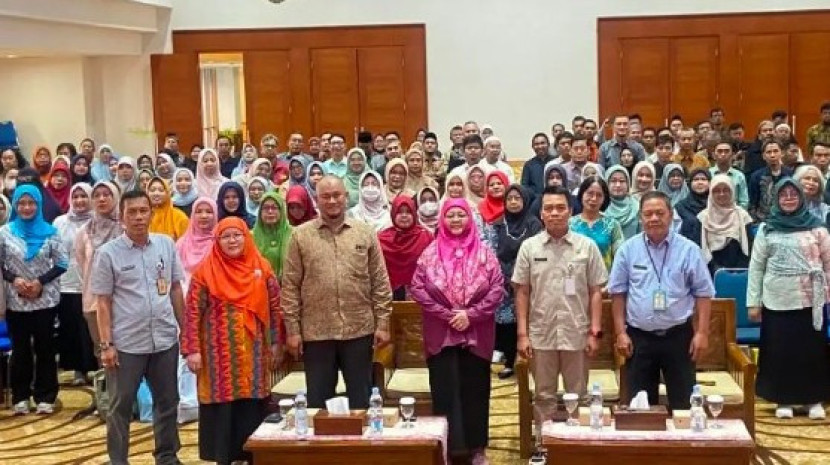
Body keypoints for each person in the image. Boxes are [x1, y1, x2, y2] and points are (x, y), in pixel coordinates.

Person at [90, 189, 185, 465]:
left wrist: (186, 330)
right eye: (132, 212)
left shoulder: (166, 245)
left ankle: (167, 456)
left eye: (143, 211)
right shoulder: (107, 254)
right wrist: (106, 345)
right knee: (120, 407)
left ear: (151, 214)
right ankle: (118, 460)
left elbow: (176, 289)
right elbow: (103, 302)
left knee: (168, 403)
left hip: (165, 339)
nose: (139, 217)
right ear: (122, 217)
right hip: (127, 344)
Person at [282, 176, 392, 409]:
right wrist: (292, 330)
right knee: (318, 404)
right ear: (316, 200)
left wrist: (382, 324)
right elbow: (290, 286)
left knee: (361, 401)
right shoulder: (300, 236)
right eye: (325, 196)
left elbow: (380, 281)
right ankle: (320, 447)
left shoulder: (365, 233)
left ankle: (361, 446)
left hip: (359, 330)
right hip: (316, 333)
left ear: (346, 197)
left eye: (337, 195)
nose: (332, 201)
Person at [182, 216, 284, 463]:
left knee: (251, 405)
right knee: (224, 407)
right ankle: (223, 457)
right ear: (217, 241)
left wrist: (276, 342)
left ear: (246, 237)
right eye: (226, 236)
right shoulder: (204, 273)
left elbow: (275, 309)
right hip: (218, 357)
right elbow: (192, 313)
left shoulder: (262, 269)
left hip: (254, 354)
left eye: (237, 235)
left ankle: (253, 456)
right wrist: (192, 350)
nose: (232, 240)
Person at [410, 198, 503, 465]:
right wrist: (448, 315)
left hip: (477, 334)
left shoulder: (485, 253)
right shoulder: (430, 253)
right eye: (450, 215)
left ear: (470, 219)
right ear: (442, 220)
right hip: (442, 334)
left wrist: (470, 315)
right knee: (445, 390)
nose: (456, 220)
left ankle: (477, 449)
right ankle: (448, 449)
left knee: (476, 389)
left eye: (461, 215)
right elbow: (418, 288)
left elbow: (497, 288)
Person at [608, 191, 715, 409]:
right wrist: (620, 333)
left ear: (671, 215)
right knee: (640, 408)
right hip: (639, 338)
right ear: (641, 217)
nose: (654, 218)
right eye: (648, 214)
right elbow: (617, 294)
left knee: (684, 406)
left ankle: (683, 443)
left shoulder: (689, 250)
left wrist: (702, 332)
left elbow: (703, 294)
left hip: (678, 337)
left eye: (660, 213)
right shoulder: (628, 250)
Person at [513, 185, 606, 432]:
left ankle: (578, 446)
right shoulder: (529, 247)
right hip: (540, 334)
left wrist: (594, 332)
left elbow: (596, 290)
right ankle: (546, 447)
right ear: (541, 213)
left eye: (560, 208)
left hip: (577, 332)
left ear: (570, 211)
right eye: (549, 208)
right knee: (544, 396)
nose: (554, 213)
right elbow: (521, 291)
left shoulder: (586, 247)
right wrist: (522, 335)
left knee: (579, 395)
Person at [747, 179, 830, 420]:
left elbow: (827, 264)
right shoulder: (767, 229)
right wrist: (753, 302)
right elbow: (756, 267)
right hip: (777, 299)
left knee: (811, 351)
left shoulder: (817, 228)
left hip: (811, 300)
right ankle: (782, 399)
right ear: (776, 199)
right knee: (780, 352)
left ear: (802, 198)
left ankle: (812, 399)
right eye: (784, 195)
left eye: (794, 194)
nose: (790, 198)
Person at [1, 185, 68, 415]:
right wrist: (14, 279)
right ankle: (21, 396)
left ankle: (45, 396)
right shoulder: (5, 233)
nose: (26, 208)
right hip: (15, 300)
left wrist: (40, 281)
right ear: (16, 206)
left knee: (45, 348)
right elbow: (1, 264)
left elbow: (61, 263)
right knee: (20, 350)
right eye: (22, 203)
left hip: (45, 300)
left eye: (31, 203)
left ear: (38, 205)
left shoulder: (51, 232)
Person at [493, 184, 542, 379]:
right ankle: (509, 360)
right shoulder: (497, 224)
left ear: (525, 201)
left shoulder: (534, 224)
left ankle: (529, 360)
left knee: (525, 320)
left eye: (517, 198)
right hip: (501, 280)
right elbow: (490, 249)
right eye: (509, 199)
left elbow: (537, 252)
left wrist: (520, 274)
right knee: (505, 322)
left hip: (527, 280)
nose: (513, 202)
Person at [54, 183, 98, 386]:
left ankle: (96, 369)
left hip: (91, 283)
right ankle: (78, 369)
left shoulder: (97, 221)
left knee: (90, 329)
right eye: (76, 197)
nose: (80, 201)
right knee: (71, 328)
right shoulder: (60, 222)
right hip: (66, 283)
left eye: (84, 196)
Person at [75, 181, 122, 346]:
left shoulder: (125, 227)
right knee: (103, 349)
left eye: (106, 194)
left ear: (115, 197)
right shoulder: (85, 231)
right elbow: (82, 262)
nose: (101, 199)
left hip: (124, 298)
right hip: (94, 298)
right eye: (96, 195)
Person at [378, 196, 434, 301]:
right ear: (393, 214)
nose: (404, 215)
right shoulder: (382, 238)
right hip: (388, 295)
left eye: (408, 212)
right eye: (399, 212)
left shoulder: (426, 236)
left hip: (421, 294)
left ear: (414, 214)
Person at [698, 175, 752, 274]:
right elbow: (701, 251)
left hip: (740, 271)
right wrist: (716, 270)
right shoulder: (702, 218)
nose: (721, 194)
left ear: (732, 192)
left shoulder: (743, 216)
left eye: (726, 190)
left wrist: (737, 272)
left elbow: (749, 248)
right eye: (717, 191)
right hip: (710, 273)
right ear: (710, 193)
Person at [569, 177, 624, 270]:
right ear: (582, 194)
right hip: (575, 280)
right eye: (590, 193)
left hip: (605, 282)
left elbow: (620, 258)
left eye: (599, 195)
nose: (594, 199)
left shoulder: (612, 225)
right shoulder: (569, 224)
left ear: (604, 199)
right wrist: (569, 285)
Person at [176, 197, 218, 289]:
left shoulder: (219, 244)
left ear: (215, 215)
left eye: (209, 212)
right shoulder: (181, 244)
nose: (204, 216)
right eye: (198, 212)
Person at [749, 140, 792, 223]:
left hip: (786, 219)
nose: (772, 155)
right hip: (763, 220)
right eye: (769, 152)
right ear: (763, 156)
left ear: (782, 153)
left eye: (776, 151)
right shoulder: (756, 176)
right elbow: (753, 203)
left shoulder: (790, 174)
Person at [253, 192, 292, 280]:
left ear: (282, 210)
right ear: (260, 212)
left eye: (274, 208)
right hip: (258, 286)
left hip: (287, 286)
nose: (270, 211)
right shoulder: (250, 236)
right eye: (266, 208)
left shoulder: (294, 234)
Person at [676, 169, 711, 245]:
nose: (700, 182)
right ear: (690, 183)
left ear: (710, 183)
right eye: (695, 179)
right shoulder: (681, 207)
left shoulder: (716, 206)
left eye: (703, 179)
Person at [605, 166, 640, 239]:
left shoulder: (637, 207)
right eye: (613, 181)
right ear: (606, 183)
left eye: (622, 181)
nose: (618, 185)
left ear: (628, 184)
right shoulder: (601, 206)